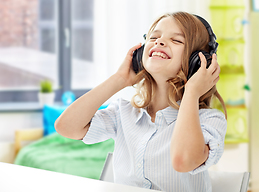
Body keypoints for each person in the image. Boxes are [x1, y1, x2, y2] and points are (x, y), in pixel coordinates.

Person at [55, 11, 227, 192]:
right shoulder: (123, 113)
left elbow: (183, 161)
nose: (159, 42)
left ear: (198, 63)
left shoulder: (209, 121)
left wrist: (192, 92)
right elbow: (66, 127)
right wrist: (119, 79)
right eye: (153, 37)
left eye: (176, 40)